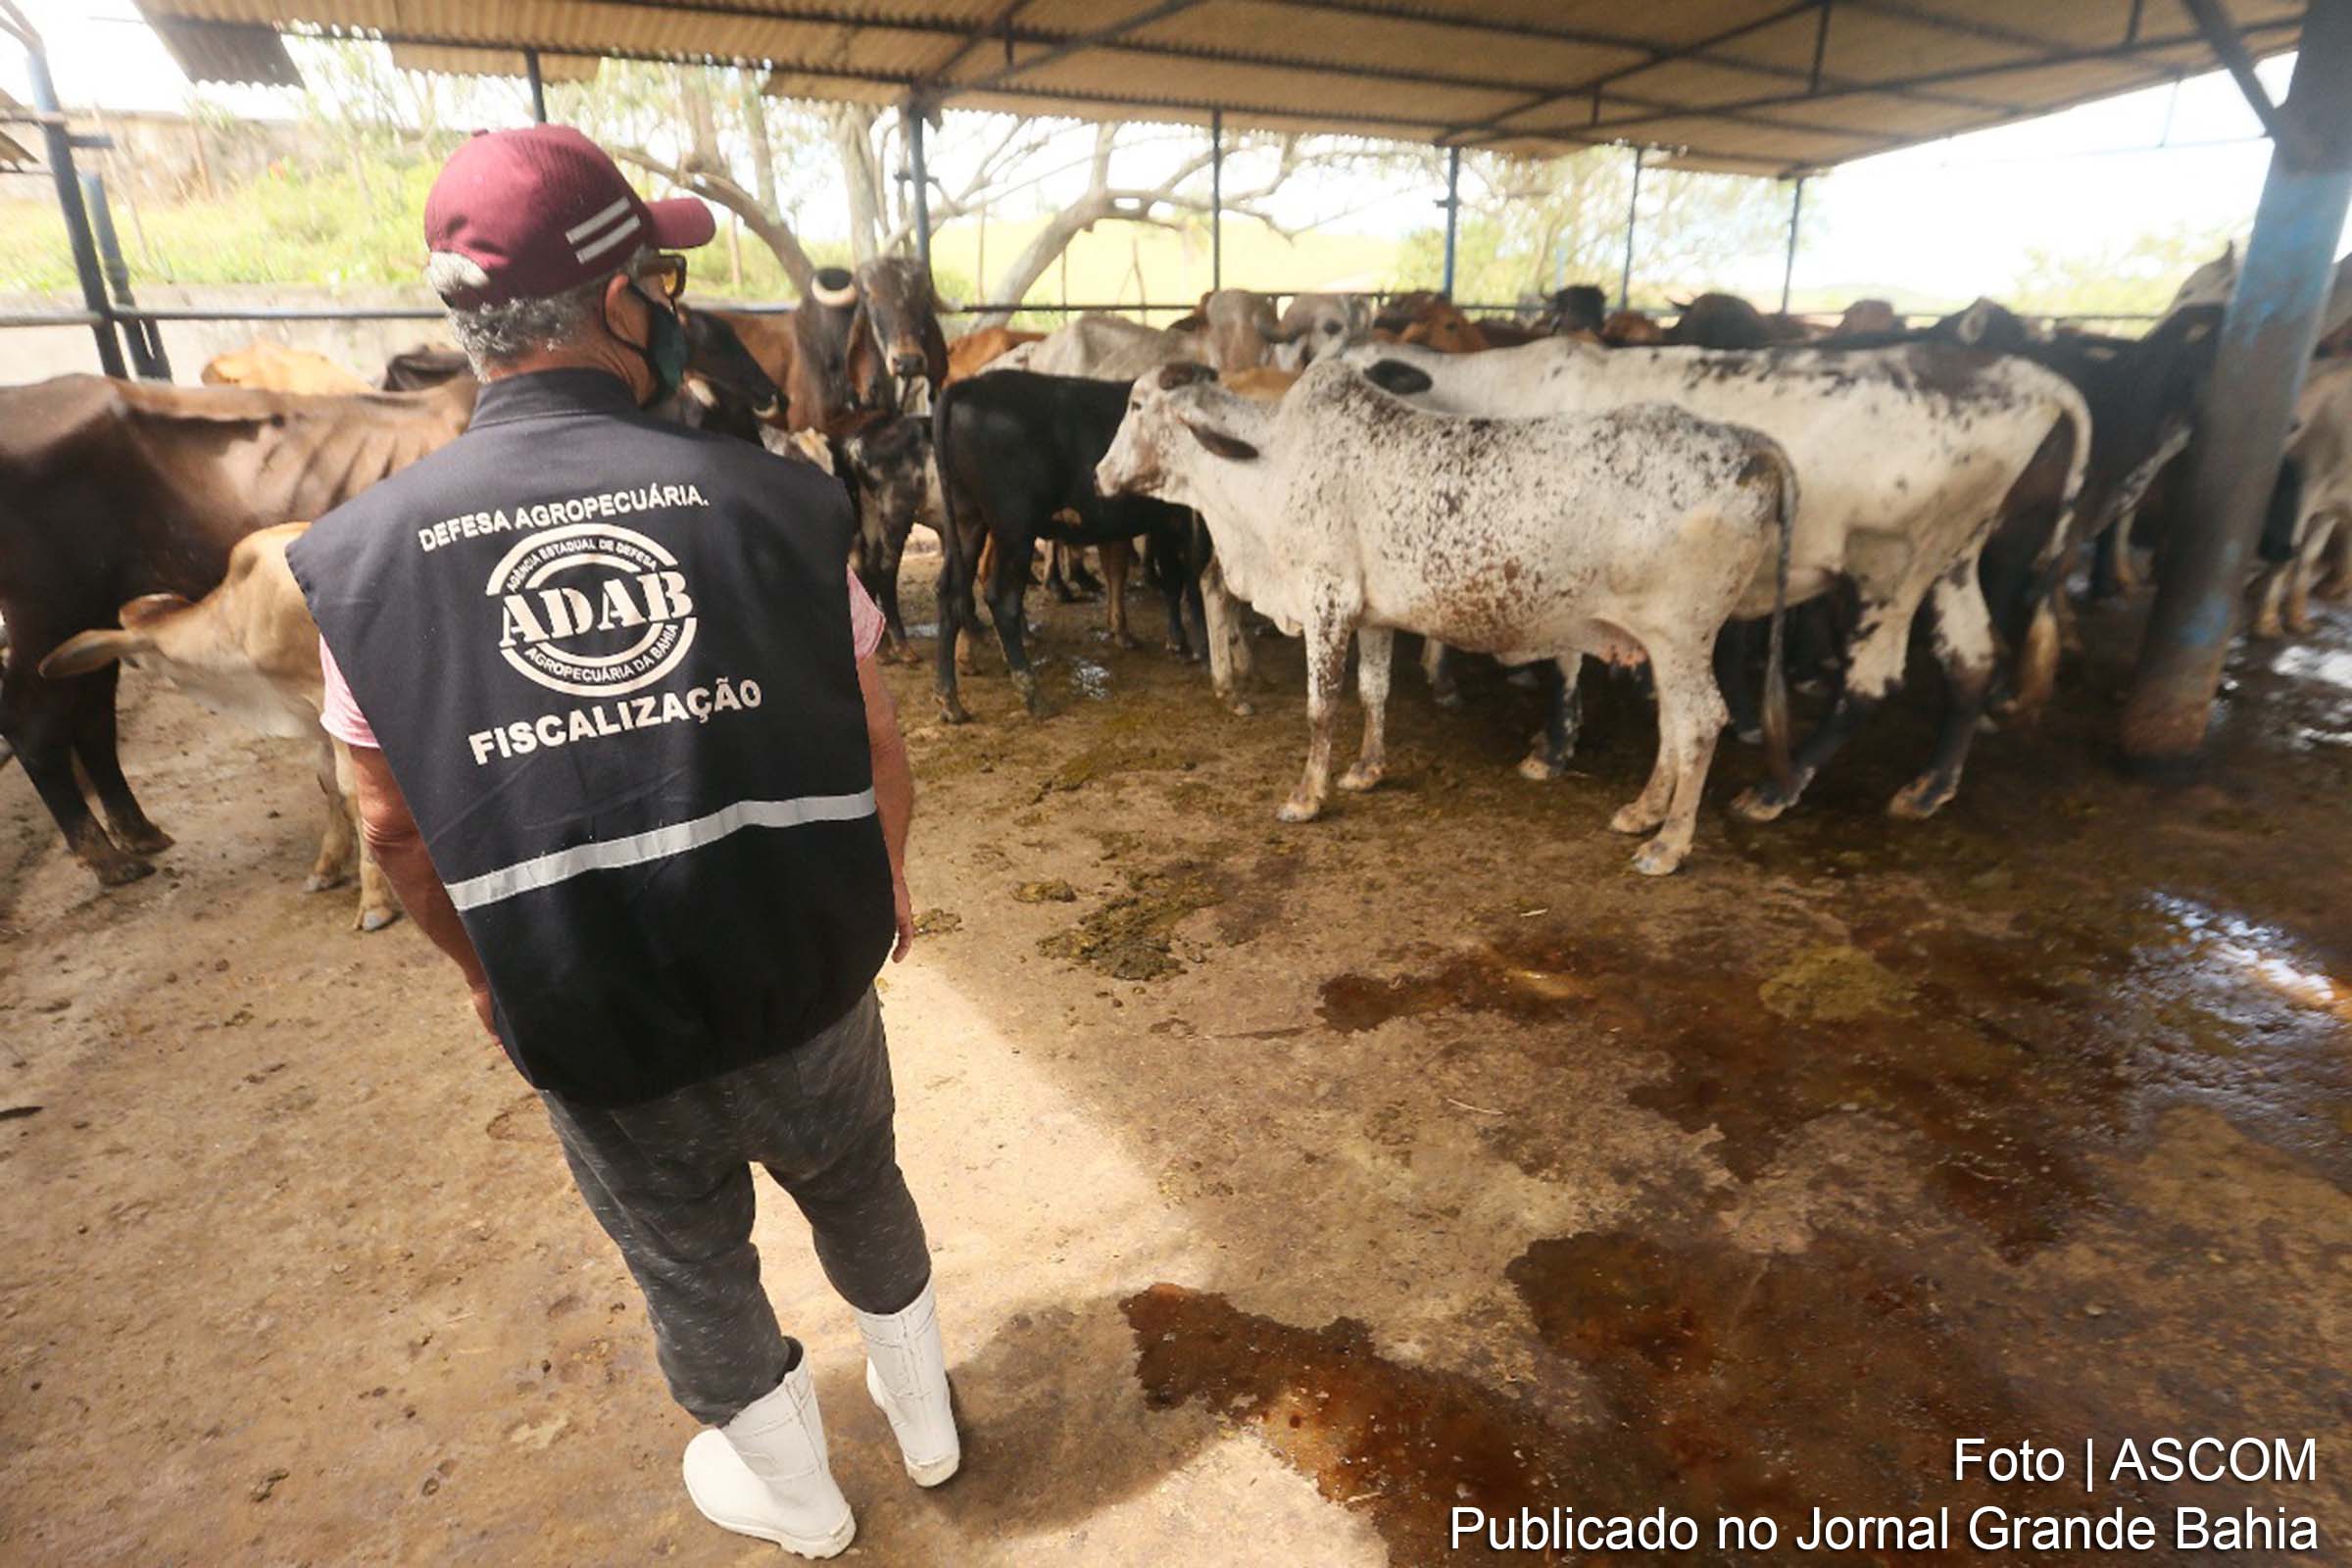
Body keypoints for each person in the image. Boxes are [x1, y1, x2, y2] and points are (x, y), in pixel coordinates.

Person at [283, 124, 954, 1560]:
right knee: (858, 1179)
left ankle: (802, 1500)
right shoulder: (778, 499)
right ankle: (930, 1427)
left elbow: (390, 823)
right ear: (614, 303)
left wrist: (484, 973)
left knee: (686, 1254)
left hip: (593, 1002)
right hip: (802, 974)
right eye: (655, 272)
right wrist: (885, 879)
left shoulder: (360, 562)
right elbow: (875, 738)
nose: (668, 299)